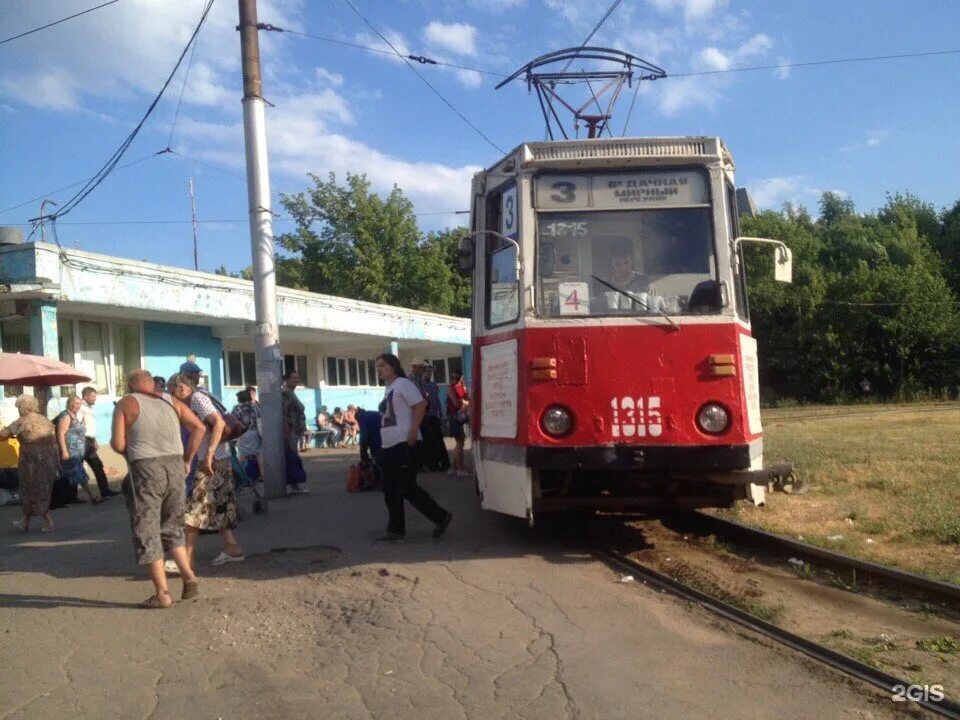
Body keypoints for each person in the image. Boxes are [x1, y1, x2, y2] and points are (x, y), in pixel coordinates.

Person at [112, 369, 205, 608]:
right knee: (173, 525)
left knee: (147, 527)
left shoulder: (126, 403)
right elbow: (199, 428)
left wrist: (132, 451)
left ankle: (162, 593)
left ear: (131, 385)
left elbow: (118, 443)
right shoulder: (171, 401)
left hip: (145, 468)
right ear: (152, 383)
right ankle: (188, 575)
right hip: (175, 466)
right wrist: (187, 459)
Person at [168, 373, 245, 567]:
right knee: (219, 505)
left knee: (193, 509)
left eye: (173, 393)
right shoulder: (200, 397)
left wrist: (209, 454)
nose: (173, 398)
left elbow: (218, 422)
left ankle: (186, 560)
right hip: (220, 460)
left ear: (182, 388)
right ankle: (232, 548)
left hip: (212, 462)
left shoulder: (196, 398)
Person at [374, 353, 452, 542]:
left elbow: (420, 405)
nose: (379, 369)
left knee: (406, 487)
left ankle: (441, 517)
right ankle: (395, 531)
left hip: (404, 443)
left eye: (382, 365)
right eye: (377, 366)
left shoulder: (403, 384)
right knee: (390, 489)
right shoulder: (390, 388)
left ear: (393, 366)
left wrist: (413, 430)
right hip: (388, 445)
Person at [1, 395, 58, 532]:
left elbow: (3, 435)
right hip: (49, 459)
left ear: (22, 407)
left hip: (31, 461)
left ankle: (49, 523)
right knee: (39, 489)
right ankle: (25, 521)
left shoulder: (22, 422)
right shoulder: (44, 420)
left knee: (32, 489)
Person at [56, 395, 103, 505]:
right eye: (75, 403)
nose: (77, 406)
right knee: (79, 473)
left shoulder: (74, 415)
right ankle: (92, 496)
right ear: (69, 403)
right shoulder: (66, 416)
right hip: (71, 452)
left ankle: (67, 498)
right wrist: (64, 451)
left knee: (69, 474)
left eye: (79, 403)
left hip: (77, 451)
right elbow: (60, 434)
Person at [79, 386, 117, 497]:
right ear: (85, 396)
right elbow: (78, 425)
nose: (95, 399)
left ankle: (105, 490)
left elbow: (90, 426)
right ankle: (71, 495)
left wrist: (94, 439)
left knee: (97, 465)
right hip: (82, 440)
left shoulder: (89, 408)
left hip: (89, 440)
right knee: (79, 466)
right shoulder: (80, 407)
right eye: (93, 397)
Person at [281, 370, 309, 490]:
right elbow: (284, 413)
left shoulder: (291, 393)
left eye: (298, 378)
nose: (296, 380)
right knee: (292, 456)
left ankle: (293, 484)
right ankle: (294, 485)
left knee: (291, 456)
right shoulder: (286, 393)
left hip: (294, 430)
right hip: (290, 430)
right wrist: (287, 431)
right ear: (286, 380)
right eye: (293, 378)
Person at [420, 365, 449, 472]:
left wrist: (441, 414)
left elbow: (436, 400)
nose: (429, 374)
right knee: (430, 441)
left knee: (439, 439)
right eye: (427, 372)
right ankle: (433, 464)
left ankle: (445, 462)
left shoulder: (433, 385)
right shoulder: (420, 386)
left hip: (434, 415)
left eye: (430, 372)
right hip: (425, 416)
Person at [231, 387, 262, 483]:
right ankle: (263, 475)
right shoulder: (255, 406)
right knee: (259, 453)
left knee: (242, 455)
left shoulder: (236, 408)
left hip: (242, 433)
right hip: (255, 432)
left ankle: (239, 476)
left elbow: (233, 420)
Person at [446, 371, 471, 477]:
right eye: (453, 377)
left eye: (457, 377)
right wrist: (465, 402)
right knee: (460, 443)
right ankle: (457, 468)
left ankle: (455, 468)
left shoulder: (461, 387)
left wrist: (466, 400)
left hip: (460, 418)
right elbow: (456, 403)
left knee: (461, 443)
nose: (455, 379)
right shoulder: (451, 388)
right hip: (454, 418)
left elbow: (469, 399)